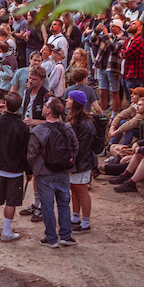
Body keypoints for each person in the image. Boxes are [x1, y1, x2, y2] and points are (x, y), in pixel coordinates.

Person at [27, 98, 79, 248]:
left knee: (47, 206)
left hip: (45, 173)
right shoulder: (67, 128)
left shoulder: (38, 130)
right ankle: (65, 236)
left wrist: (36, 168)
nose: (43, 107)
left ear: (48, 110)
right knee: (64, 204)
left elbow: (31, 154)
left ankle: (51, 238)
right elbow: (75, 148)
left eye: (45, 106)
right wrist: (67, 162)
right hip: (64, 172)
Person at [0, 92, 31, 242]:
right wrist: (29, 171)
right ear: (20, 107)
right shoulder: (23, 127)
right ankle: (6, 231)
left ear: (5, 104)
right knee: (11, 202)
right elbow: (25, 151)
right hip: (15, 171)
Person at [66, 91, 97, 232]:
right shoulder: (73, 119)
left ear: (76, 103)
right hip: (75, 162)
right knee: (74, 188)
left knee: (82, 190)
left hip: (82, 163)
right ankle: (75, 216)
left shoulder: (85, 124)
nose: (67, 100)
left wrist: (72, 160)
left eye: (70, 99)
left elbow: (82, 147)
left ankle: (86, 222)